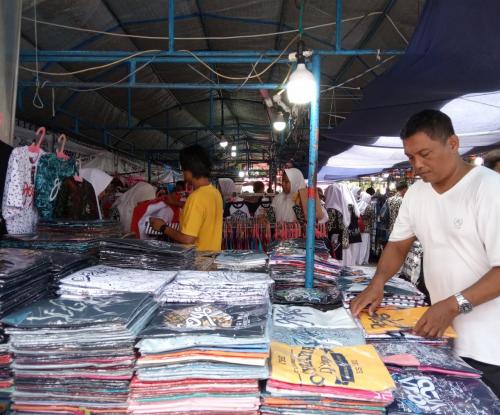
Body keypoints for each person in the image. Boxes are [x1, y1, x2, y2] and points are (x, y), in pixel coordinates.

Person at [350, 109, 500, 397]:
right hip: (441, 338)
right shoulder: (417, 193)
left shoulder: (489, 190)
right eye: (410, 157)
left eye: (425, 154)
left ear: (453, 143)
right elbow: (397, 245)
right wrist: (377, 283)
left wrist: (452, 305)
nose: (417, 165)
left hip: (491, 347)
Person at [150, 145, 223, 251]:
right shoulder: (215, 193)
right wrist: (177, 204)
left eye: (183, 168)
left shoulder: (195, 198)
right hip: (212, 258)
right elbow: (203, 213)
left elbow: (188, 239)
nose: (182, 172)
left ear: (190, 169)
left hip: (197, 263)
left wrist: (162, 227)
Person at [324, 183, 361, 265]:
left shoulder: (332, 209)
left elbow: (330, 229)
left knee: (338, 264)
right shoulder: (343, 207)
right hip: (344, 241)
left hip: (336, 244)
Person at [357, 190, 375, 265]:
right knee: (365, 245)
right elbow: (373, 217)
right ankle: (363, 260)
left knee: (360, 245)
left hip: (359, 227)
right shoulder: (369, 207)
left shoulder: (358, 205)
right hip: (366, 229)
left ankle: (359, 260)